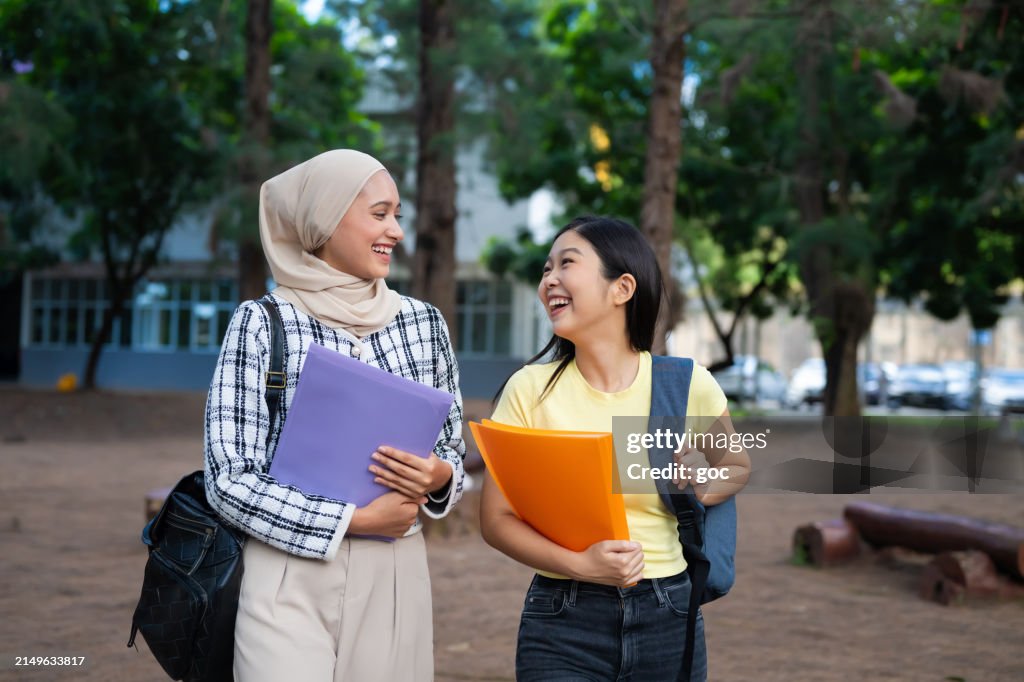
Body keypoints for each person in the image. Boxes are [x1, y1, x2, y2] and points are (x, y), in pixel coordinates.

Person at [203, 149, 466, 681]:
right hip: (286, 573)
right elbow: (228, 479)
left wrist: (438, 477)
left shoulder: (424, 323)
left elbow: (452, 456)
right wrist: (354, 520)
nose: (394, 230)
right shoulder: (262, 322)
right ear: (325, 218)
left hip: (396, 577)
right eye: (379, 213)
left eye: (397, 215)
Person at [480, 215, 750, 682]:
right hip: (563, 616)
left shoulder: (686, 385)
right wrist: (580, 565)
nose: (549, 280)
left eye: (567, 263)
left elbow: (738, 466)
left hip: (669, 613)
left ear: (622, 288)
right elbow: (495, 520)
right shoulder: (529, 390)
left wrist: (705, 480)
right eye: (546, 269)